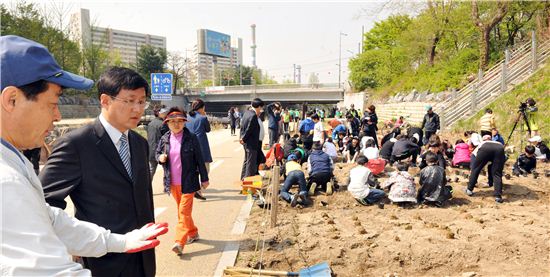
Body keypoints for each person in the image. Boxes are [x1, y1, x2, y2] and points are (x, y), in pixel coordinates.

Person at [0, 36, 167, 276]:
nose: (57, 116)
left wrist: (121, 242)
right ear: (11, 99)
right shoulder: (8, 180)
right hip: (104, 266)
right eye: (52, 103)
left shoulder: (15, 163)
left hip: (136, 255)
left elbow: (50, 218)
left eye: (141, 102)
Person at [39, 66, 160, 276]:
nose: (138, 109)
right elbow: (43, 204)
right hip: (102, 262)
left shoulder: (139, 143)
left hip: (143, 256)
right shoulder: (76, 144)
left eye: (142, 101)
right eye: (130, 101)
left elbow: (143, 198)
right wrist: (75, 244)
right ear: (105, 100)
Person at [156, 108, 209, 256]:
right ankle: (193, 232)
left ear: (184, 122)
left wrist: (204, 178)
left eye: (180, 121)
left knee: (183, 211)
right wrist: (160, 158)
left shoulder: (191, 138)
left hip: (189, 181)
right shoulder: (165, 138)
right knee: (182, 211)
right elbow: (157, 152)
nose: (176, 124)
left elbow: (200, 158)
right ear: (167, 123)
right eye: (172, 122)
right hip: (172, 182)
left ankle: (179, 242)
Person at [465, 136, 506, 203]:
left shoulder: (482, 143)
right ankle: (498, 196)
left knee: (476, 170)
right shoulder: (498, 143)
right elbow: (503, 157)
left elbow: (474, 157)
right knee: (497, 174)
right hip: (500, 149)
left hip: (485, 148)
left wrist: (473, 168)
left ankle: (469, 190)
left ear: (483, 140)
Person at [186, 99, 212, 201]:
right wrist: (204, 115)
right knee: (205, 169)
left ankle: (194, 190)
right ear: (202, 108)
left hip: (189, 146)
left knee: (193, 169)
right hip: (201, 147)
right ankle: (198, 190)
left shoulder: (187, 118)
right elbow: (208, 130)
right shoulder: (202, 118)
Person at [240, 98, 263, 180]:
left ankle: (243, 179)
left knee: (246, 161)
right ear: (259, 107)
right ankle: (248, 183)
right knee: (251, 164)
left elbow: (242, 127)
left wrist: (242, 138)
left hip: (246, 142)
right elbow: (249, 129)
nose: (261, 110)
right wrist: (244, 139)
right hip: (251, 142)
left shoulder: (247, 113)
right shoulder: (253, 115)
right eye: (261, 107)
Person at [147, 107, 168, 178]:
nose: (165, 113)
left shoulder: (150, 123)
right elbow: (167, 137)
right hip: (161, 151)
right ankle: (168, 187)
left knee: (151, 170)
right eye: (164, 112)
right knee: (167, 170)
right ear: (160, 113)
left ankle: (146, 187)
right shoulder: (163, 124)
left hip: (150, 150)